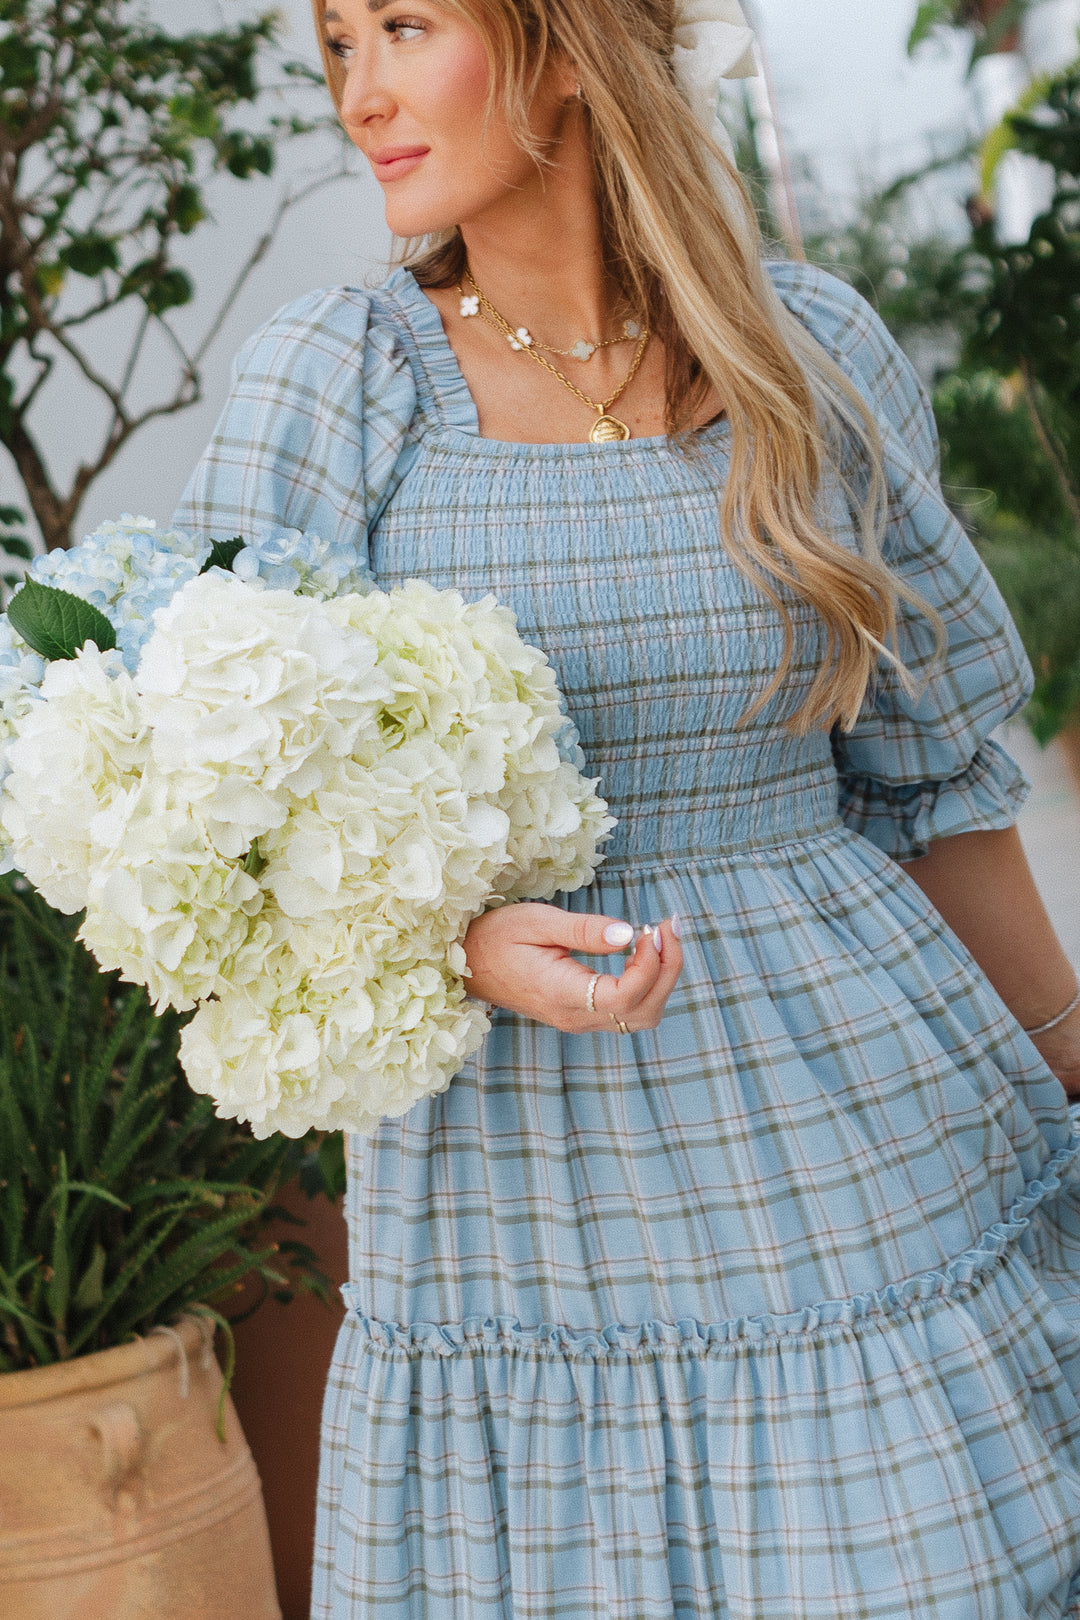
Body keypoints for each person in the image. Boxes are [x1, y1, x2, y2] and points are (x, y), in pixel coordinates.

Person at [174, 0, 1080, 1614]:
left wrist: (1070, 1054)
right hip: (520, 1202)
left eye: (401, 25)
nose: (359, 92)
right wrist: (456, 943)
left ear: (569, 46)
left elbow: (932, 778)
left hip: (867, 1143)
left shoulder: (810, 351)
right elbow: (227, 820)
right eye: (335, 45)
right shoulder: (334, 383)